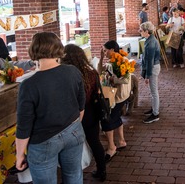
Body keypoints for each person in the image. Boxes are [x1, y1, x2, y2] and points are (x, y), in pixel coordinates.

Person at [15, 32, 85, 184]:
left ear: (34, 50)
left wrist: (20, 154)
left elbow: (24, 125)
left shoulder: (29, 84)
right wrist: (73, 126)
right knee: (74, 176)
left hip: (43, 140)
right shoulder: (73, 71)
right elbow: (81, 106)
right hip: (74, 130)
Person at [62, 44, 106, 181]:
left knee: (71, 148)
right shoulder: (91, 72)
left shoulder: (68, 75)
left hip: (74, 115)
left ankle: (72, 176)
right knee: (94, 142)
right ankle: (102, 170)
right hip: (92, 113)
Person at [97, 40, 130, 162]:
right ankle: (121, 141)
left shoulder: (121, 61)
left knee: (107, 120)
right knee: (116, 117)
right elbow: (99, 72)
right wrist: (100, 59)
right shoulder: (112, 61)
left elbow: (125, 80)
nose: (104, 53)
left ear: (112, 50)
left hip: (118, 96)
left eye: (105, 51)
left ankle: (111, 147)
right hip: (118, 96)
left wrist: (112, 79)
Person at [140, 21, 161, 124]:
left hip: (153, 68)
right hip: (153, 67)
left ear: (146, 31)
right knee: (153, 92)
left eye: (141, 30)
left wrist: (147, 75)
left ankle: (155, 114)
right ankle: (153, 109)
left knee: (154, 92)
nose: (140, 32)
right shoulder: (150, 39)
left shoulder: (150, 43)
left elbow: (150, 61)